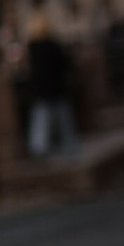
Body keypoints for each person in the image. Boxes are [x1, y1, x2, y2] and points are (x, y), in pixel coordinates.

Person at [23, 23, 77, 161]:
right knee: (63, 119)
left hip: (41, 89)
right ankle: (69, 145)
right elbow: (65, 65)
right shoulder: (54, 46)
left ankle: (39, 147)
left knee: (42, 118)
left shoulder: (32, 49)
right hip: (57, 87)